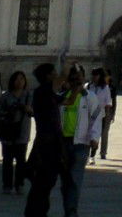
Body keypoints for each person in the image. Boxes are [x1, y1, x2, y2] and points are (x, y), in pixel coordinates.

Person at [63, 64, 105, 217]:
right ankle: (68, 207)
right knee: (65, 180)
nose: (76, 79)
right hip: (63, 141)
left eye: (79, 76)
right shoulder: (63, 95)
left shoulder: (90, 98)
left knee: (75, 178)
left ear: (83, 77)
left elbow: (96, 118)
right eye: (73, 76)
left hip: (81, 143)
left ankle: (71, 211)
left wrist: (94, 137)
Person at [23, 62, 63, 217]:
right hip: (46, 143)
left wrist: (76, 89)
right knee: (43, 181)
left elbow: (66, 100)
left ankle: (38, 211)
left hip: (50, 141)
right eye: (53, 71)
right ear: (48, 75)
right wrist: (68, 67)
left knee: (46, 182)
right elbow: (60, 82)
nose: (56, 74)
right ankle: (35, 212)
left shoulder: (47, 93)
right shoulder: (43, 91)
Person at [0, 70, 32, 195]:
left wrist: (28, 109)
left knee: (21, 160)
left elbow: (33, 112)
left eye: (22, 79)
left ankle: (19, 183)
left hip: (22, 132)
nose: (19, 81)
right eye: (17, 79)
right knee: (7, 160)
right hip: (8, 132)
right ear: (12, 81)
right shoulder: (5, 96)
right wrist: (9, 113)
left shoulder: (28, 95)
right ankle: (7, 184)